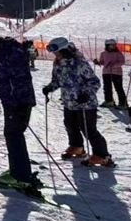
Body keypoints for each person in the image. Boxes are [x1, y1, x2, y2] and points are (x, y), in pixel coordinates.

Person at [0, 27, 39, 189]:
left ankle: (21, 176)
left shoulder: (7, 52)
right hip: (15, 99)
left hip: (17, 101)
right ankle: (17, 171)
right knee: (13, 134)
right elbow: (8, 76)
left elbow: (17, 78)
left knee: (13, 134)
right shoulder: (5, 50)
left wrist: (14, 100)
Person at [42, 37, 113, 166]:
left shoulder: (79, 63)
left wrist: (85, 94)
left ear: (64, 50)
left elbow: (94, 82)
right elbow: (57, 81)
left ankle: (102, 155)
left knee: (88, 130)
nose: (55, 54)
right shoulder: (58, 63)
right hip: (69, 102)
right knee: (70, 125)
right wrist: (49, 88)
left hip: (85, 103)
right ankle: (77, 146)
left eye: (56, 52)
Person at [94, 39, 127, 108]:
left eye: (114, 45)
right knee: (107, 87)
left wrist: (114, 65)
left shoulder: (118, 53)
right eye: (111, 45)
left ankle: (123, 103)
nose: (113, 47)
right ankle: (109, 101)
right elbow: (102, 62)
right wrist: (98, 62)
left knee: (118, 88)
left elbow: (122, 61)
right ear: (107, 46)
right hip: (106, 72)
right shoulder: (103, 53)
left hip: (116, 73)